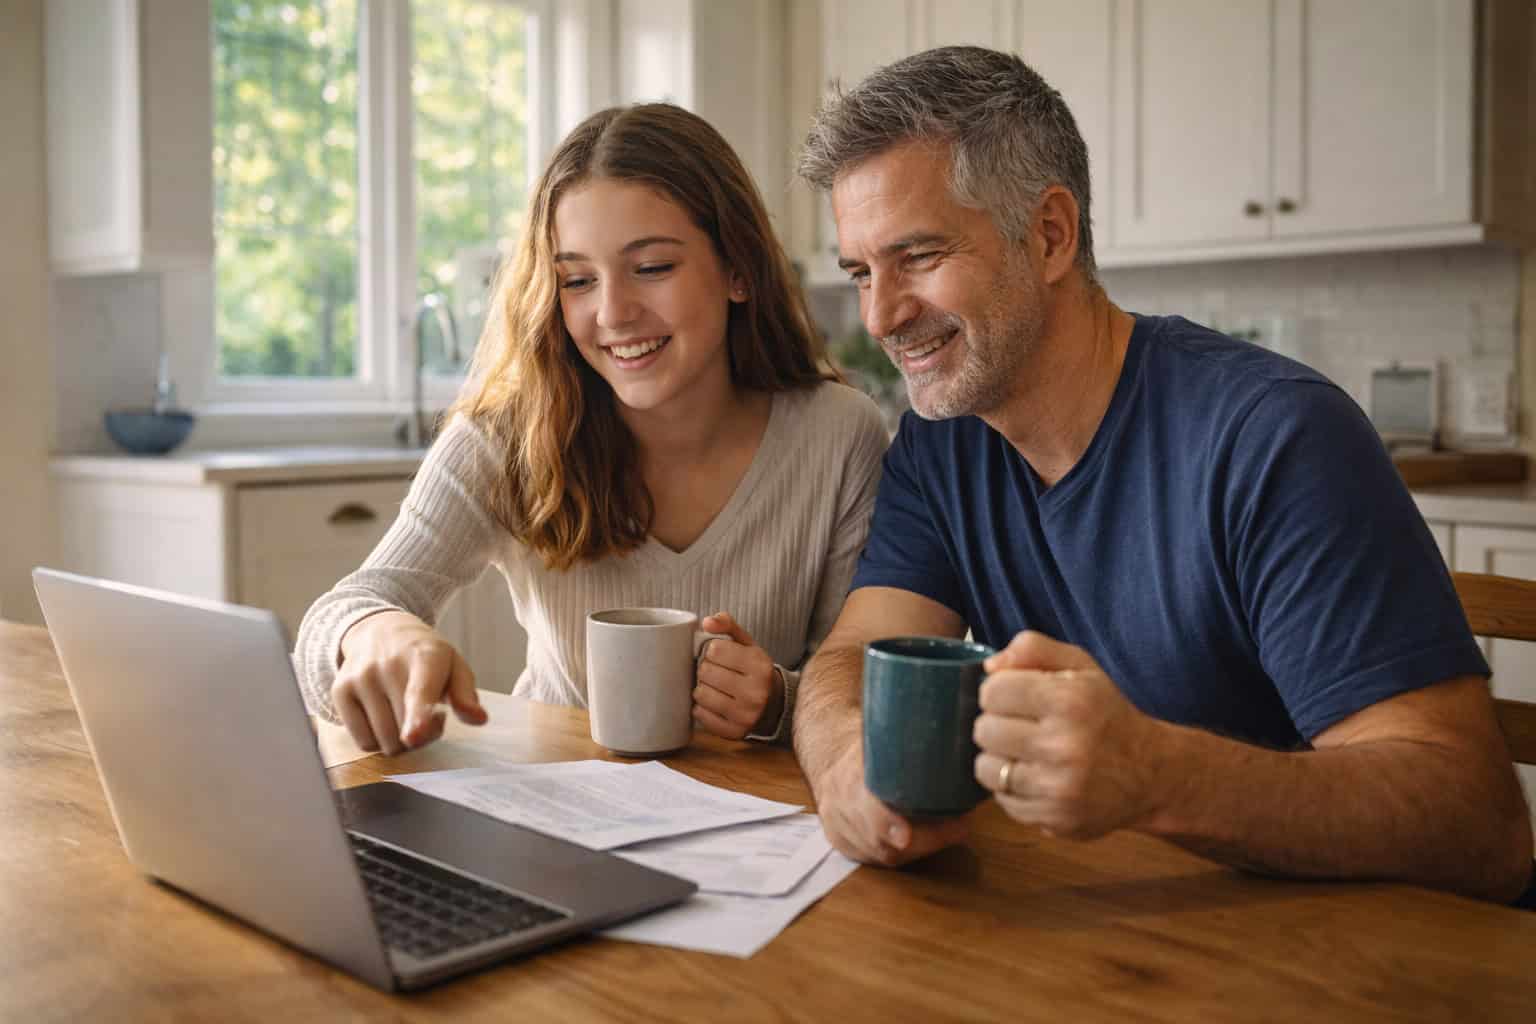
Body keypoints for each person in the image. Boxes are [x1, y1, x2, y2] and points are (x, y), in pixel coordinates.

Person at [791, 45, 1534, 903]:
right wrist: (844, 758)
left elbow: (1482, 826)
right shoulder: (942, 440)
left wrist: (1158, 776)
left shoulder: (1275, 438)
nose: (881, 315)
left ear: (1049, 234)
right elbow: (850, 654)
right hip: (1119, 939)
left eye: (916, 257)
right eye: (860, 272)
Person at [296, 103, 887, 756]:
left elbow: (862, 686)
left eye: (653, 267)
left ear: (738, 270)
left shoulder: (839, 436)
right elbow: (341, 614)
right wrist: (380, 632)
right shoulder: (505, 439)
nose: (613, 312)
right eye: (577, 279)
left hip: (760, 828)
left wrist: (777, 698)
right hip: (554, 812)